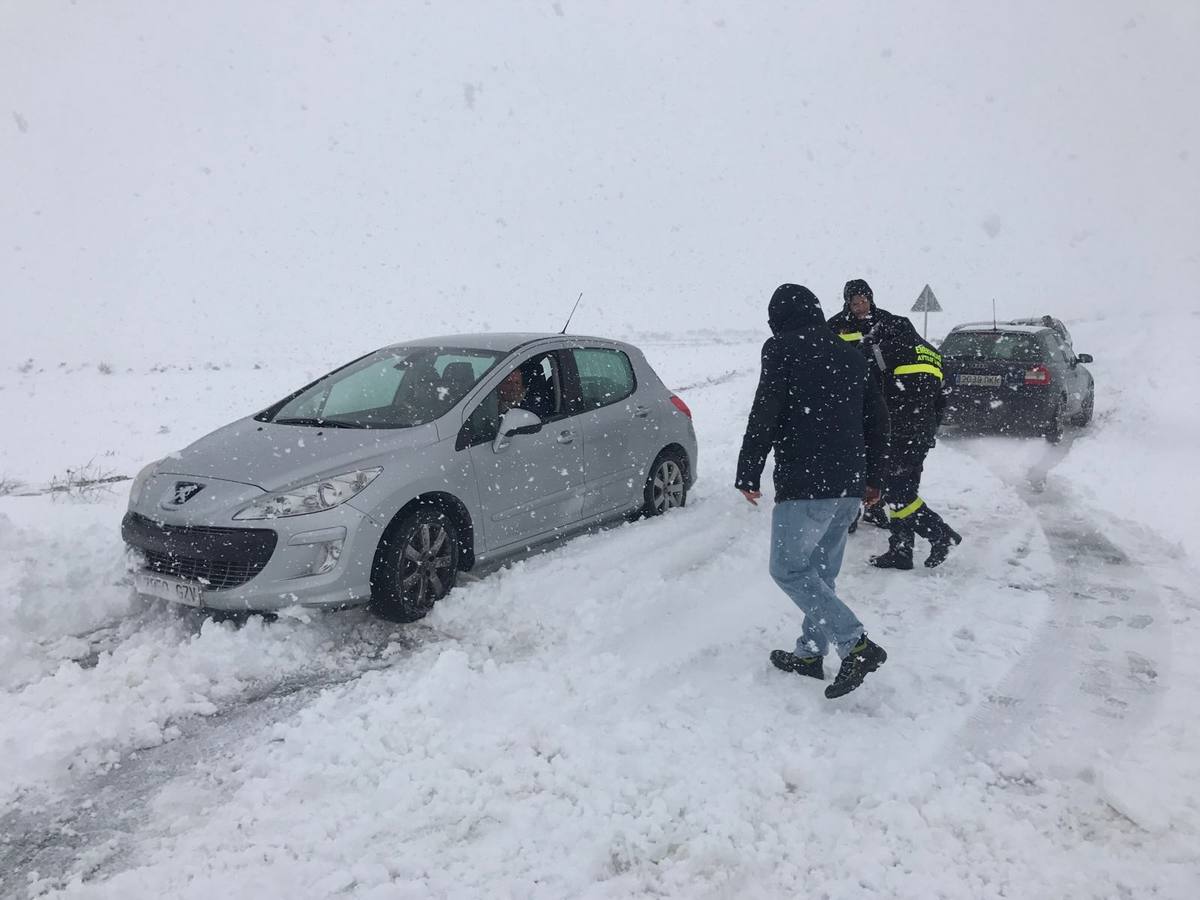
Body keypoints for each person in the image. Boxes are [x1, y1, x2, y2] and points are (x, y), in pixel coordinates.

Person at [735, 283, 890, 699]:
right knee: (821, 573)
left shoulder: (781, 349)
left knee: (787, 569)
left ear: (779, 318)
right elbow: (878, 421)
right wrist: (874, 479)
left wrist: (748, 471)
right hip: (848, 485)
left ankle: (855, 644)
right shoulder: (852, 355)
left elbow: (765, 410)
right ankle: (809, 653)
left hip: (806, 483)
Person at [853, 289, 962, 569]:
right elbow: (942, 399)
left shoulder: (887, 349)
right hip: (921, 434)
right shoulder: (934, 355)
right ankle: (901, 550)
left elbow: (868, 384)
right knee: (905, 489)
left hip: (898, 433)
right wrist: (927, 431)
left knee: (895, 493)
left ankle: (940, 534)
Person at [827, 279, 904, 531]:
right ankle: (850, 511)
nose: (860, 305)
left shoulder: (887, 321)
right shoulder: (836, 324)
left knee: (879, 455)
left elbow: (898, 355)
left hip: (880, 398)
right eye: (854, 301)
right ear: (847, 302)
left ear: (871, 298)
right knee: (850, 456)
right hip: (847, 400)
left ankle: (875, 505)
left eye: (864, 300)